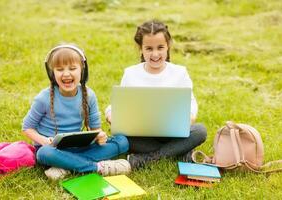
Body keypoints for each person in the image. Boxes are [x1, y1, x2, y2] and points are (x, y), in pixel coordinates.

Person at [105, 20, 207, 169]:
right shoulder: (131, 73)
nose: (155, 54)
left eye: (160, 47)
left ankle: (147, 158)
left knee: (200, 131)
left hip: (173, 133)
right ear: (141, 49)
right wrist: (110, 114)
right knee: (122, 138)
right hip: (142, 134)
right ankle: (179, 151)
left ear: (168, 46)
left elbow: (191, 103)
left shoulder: (179, 72)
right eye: (149, 48)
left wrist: (190, 116)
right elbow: (120, 103)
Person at [22, 44, 131, 180]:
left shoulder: (89, 95)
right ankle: (97, 168)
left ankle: (65, 167)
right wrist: (44, 141)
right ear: (52, 73)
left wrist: (100, 136)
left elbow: (96, 129)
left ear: (82, 71)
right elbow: (27, 128)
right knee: (44, 153)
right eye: (60, 69)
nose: (66, 74)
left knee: (123, 141)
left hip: (77, 147)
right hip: (52, 150)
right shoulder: (43, 98)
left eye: (72, 68)